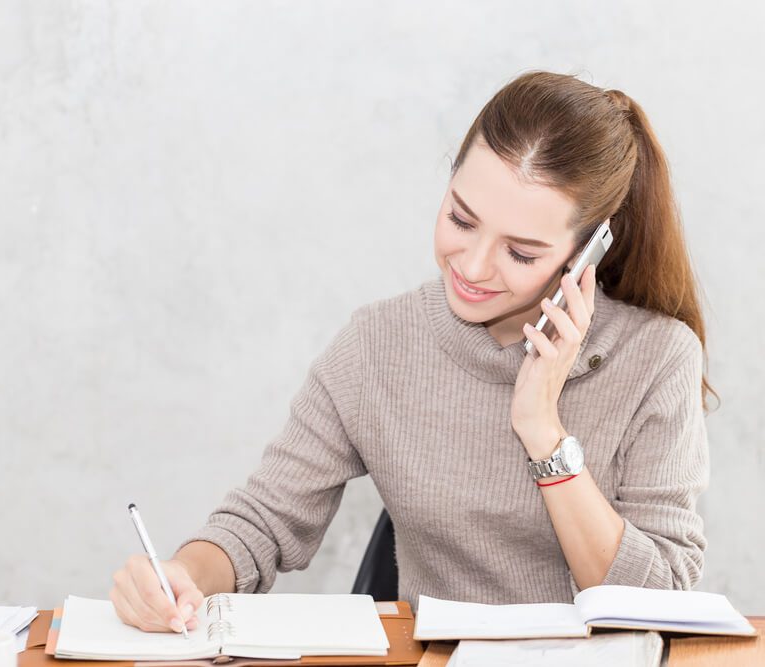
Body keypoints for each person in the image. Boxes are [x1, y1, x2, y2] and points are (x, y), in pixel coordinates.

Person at [110, 70, 714, 634]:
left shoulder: (657, 358)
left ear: (587, 252)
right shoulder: (378, 345)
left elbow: (659, 605)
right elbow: (263, 520)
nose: (473, 266)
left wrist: (543, 433)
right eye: (461, 218)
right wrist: (185, 576)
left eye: (522, 253)